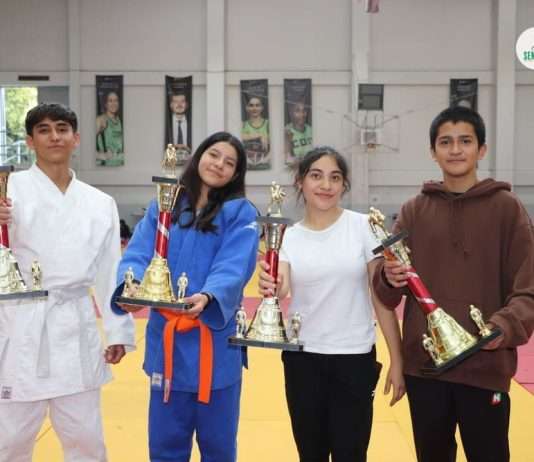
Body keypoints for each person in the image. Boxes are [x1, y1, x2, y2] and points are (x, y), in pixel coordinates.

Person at [372, 106, 534, 462]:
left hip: (485, 369)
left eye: (465, 141)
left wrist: (501, 328)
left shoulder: (507, 209)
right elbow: (386, 292)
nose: (456, 149)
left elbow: (528, 288)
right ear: (433, 151)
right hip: (426, 368)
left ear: (482, 149)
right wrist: (388, 276)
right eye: (445, 142)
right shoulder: (414, 210)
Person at [112, 131, 259, 462]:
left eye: (229, 163)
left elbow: (234, 264)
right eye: (214, 155)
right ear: (199, 156)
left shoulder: (241, 213)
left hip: (215, 343)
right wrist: (130, 286)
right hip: (168, 347)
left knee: (219, 448)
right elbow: (138, 251)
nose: (219, 164)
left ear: (236, 174)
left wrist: (209, 295)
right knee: (165, 447)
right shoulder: (165, 203)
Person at [0, 103, 136, 461]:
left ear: (76, 138)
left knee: (86, 439)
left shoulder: (99, 202)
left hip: (74, 328)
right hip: (20, 326)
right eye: (43, 130)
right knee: (10, 440)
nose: (54, 136)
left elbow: (109, 270)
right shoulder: (7, 191)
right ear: (30, 141)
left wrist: (118, 330)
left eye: (62, 129)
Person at [258, 146, 405, 462]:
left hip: (354, 359)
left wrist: (398, 359)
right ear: (300, 182)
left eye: (335, 178)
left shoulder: (363, 227)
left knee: (351, 454)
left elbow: (381, 296)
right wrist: (270, 284)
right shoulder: (287, 236)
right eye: (316, 176)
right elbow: (282, 286)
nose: (326, 185)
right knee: (310, 454)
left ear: (343, 185)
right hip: (302, 360)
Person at [96, 90, 124, 166]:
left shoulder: (119, 120)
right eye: (110, 101)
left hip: (120, 165)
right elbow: (85, 144)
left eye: (116, 100)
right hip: (106, 166)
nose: (113, 103)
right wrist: (100, 155)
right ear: (106, 104)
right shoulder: (101, 120)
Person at [241, 95, 270, 168]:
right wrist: (260, 135)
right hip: (247, 163)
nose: (254, 108)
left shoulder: (268, 124)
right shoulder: (243, 125)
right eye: (251, 105)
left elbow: (274, 143)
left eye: (257, 105)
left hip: (265, 162)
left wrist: (265, 160)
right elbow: (240, 137)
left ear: (262, 108)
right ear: (247, 108)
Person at [168, 92, 191, 161]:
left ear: (186, 105)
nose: (179, 105)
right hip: (170, 162)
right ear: (171, 105)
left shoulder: (191, 122)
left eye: (182, 101)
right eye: (176, 102)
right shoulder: (168, 124)